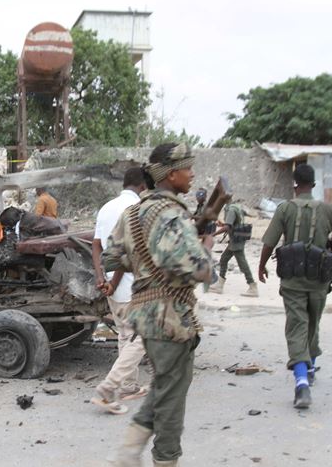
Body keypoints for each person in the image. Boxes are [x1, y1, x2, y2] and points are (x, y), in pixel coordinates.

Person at [103, 143, 213, 466]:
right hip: (171, 318)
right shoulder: (169, 212)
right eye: (187, 167)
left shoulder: (134, 212)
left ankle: (126, 454)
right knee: (172, 402)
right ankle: (163, 460)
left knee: (165, 387)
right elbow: (201, 269)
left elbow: (111, 255)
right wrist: (205, 240)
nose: (192, 173)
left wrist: (144, 260)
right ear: (170, 173)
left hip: (145, 316)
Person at [258, 164, 332, 409]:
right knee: (312, 322)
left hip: (292, 280)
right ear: (314, 184)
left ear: (295, 183)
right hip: (320, 279)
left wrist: (261, 266)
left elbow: (269, 242)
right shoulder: (329, 210)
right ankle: (308, 366)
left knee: (297, 326)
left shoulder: (285, 209)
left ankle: (301, 383)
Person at [90, 167, 148, 414]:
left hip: (112, 286)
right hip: (129, 286)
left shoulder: (106, 208)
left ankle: (129, 386)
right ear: (143, 186)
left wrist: (102, 278)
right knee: (142, 337)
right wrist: (114, 282)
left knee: (126, 335)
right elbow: (127, 253)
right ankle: (108, 388)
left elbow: (96, 246)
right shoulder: (136, 210)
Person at [209, 199, 257, 296]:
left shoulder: (231, 210)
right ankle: (220, 284)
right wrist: (223, 224)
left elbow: (227, 228)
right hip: (237, 239)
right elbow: (232, 224)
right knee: (223, 259)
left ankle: (252, 286)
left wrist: (213, 234)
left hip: (236, 241)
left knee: (242, 264)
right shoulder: (237, 207)